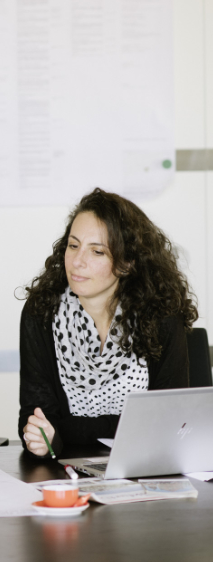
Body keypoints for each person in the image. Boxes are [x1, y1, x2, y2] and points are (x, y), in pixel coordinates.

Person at [19, 188, 197, 457]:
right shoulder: (42, 312)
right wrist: (43, 439)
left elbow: (170, 422)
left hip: (146, 465)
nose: (78, 261)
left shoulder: (160, 315)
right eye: (73, 245)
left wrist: (66, 431)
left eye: (97, 251)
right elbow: (35, 418)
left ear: (126, 263)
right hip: (66, 469)